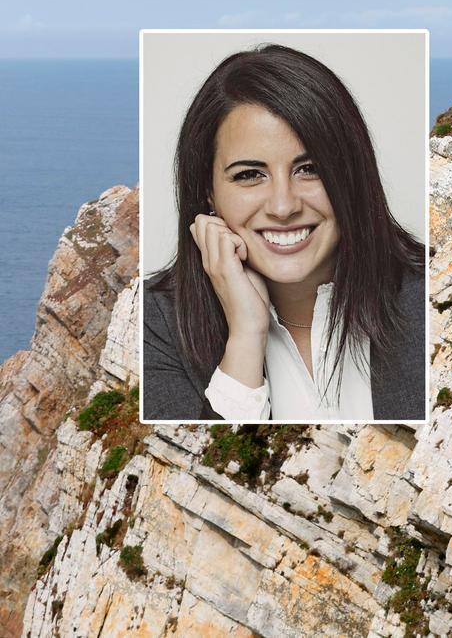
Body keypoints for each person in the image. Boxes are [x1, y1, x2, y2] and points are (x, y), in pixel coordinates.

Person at [144, 44, 426, 421]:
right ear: (208, 192)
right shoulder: (155, 324)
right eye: (249, 175)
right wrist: (246, 334)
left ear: (351, 175)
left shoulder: (436, 296)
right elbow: (188, 477)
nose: (283, 206)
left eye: (310, 169)